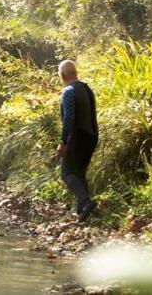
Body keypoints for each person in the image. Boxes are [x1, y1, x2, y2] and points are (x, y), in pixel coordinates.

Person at [56, 60, 98, 223]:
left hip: (78, 136)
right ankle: (83, 211)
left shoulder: (68, 91)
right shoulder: (87, 89)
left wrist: (63, 142)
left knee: (67, 173)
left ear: (62, 75)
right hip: (92, 136)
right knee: (79, 172)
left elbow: (69, 118)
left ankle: (86, 202)